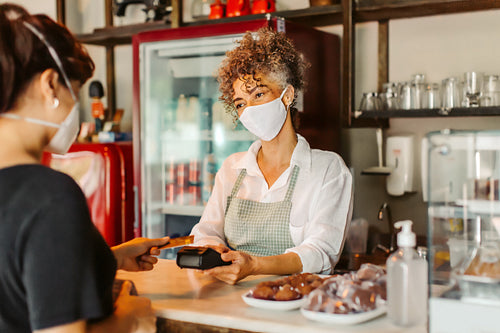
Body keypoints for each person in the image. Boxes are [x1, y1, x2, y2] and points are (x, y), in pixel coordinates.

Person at [0, 4, 168, 332]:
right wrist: (133, 316)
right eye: (74, 90)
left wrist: (110, 258)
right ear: (50, 85)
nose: (77, 108)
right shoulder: (49, 196)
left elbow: (19, 271)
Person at [190, 28, 353, 285]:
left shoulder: (328, 169)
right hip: (231, 300)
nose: (250, 110)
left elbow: (322, 251)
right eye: (241, 103)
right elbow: (207, 231)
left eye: (258, 94)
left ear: (287, 96)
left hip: (296, 301)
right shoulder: (232, 168)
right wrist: (214, 252)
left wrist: (255, 266)